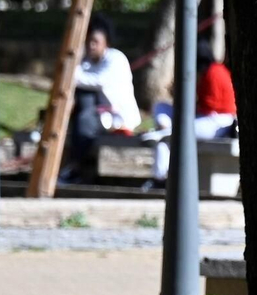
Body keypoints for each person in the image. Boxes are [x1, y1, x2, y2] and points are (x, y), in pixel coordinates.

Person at [146, 39, 238, 189]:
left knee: (170, 137)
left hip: (219, 121)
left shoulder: (214, 72)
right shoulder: (208, 71)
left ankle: (161, 179)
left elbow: (208, 107)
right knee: (161, 107)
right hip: (204, 118)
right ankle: (165, 129)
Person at [61, 14, 141, 184]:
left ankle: (76, 166)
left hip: (117, 117)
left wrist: (70, 72)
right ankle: (72, 166)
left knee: (84, 118)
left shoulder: (115, 58)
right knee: (82, 106)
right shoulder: (89, 62)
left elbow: (98, 81)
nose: (91, 46)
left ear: (106, 42)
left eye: (95, 41)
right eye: (88, 41)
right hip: (99, 115)